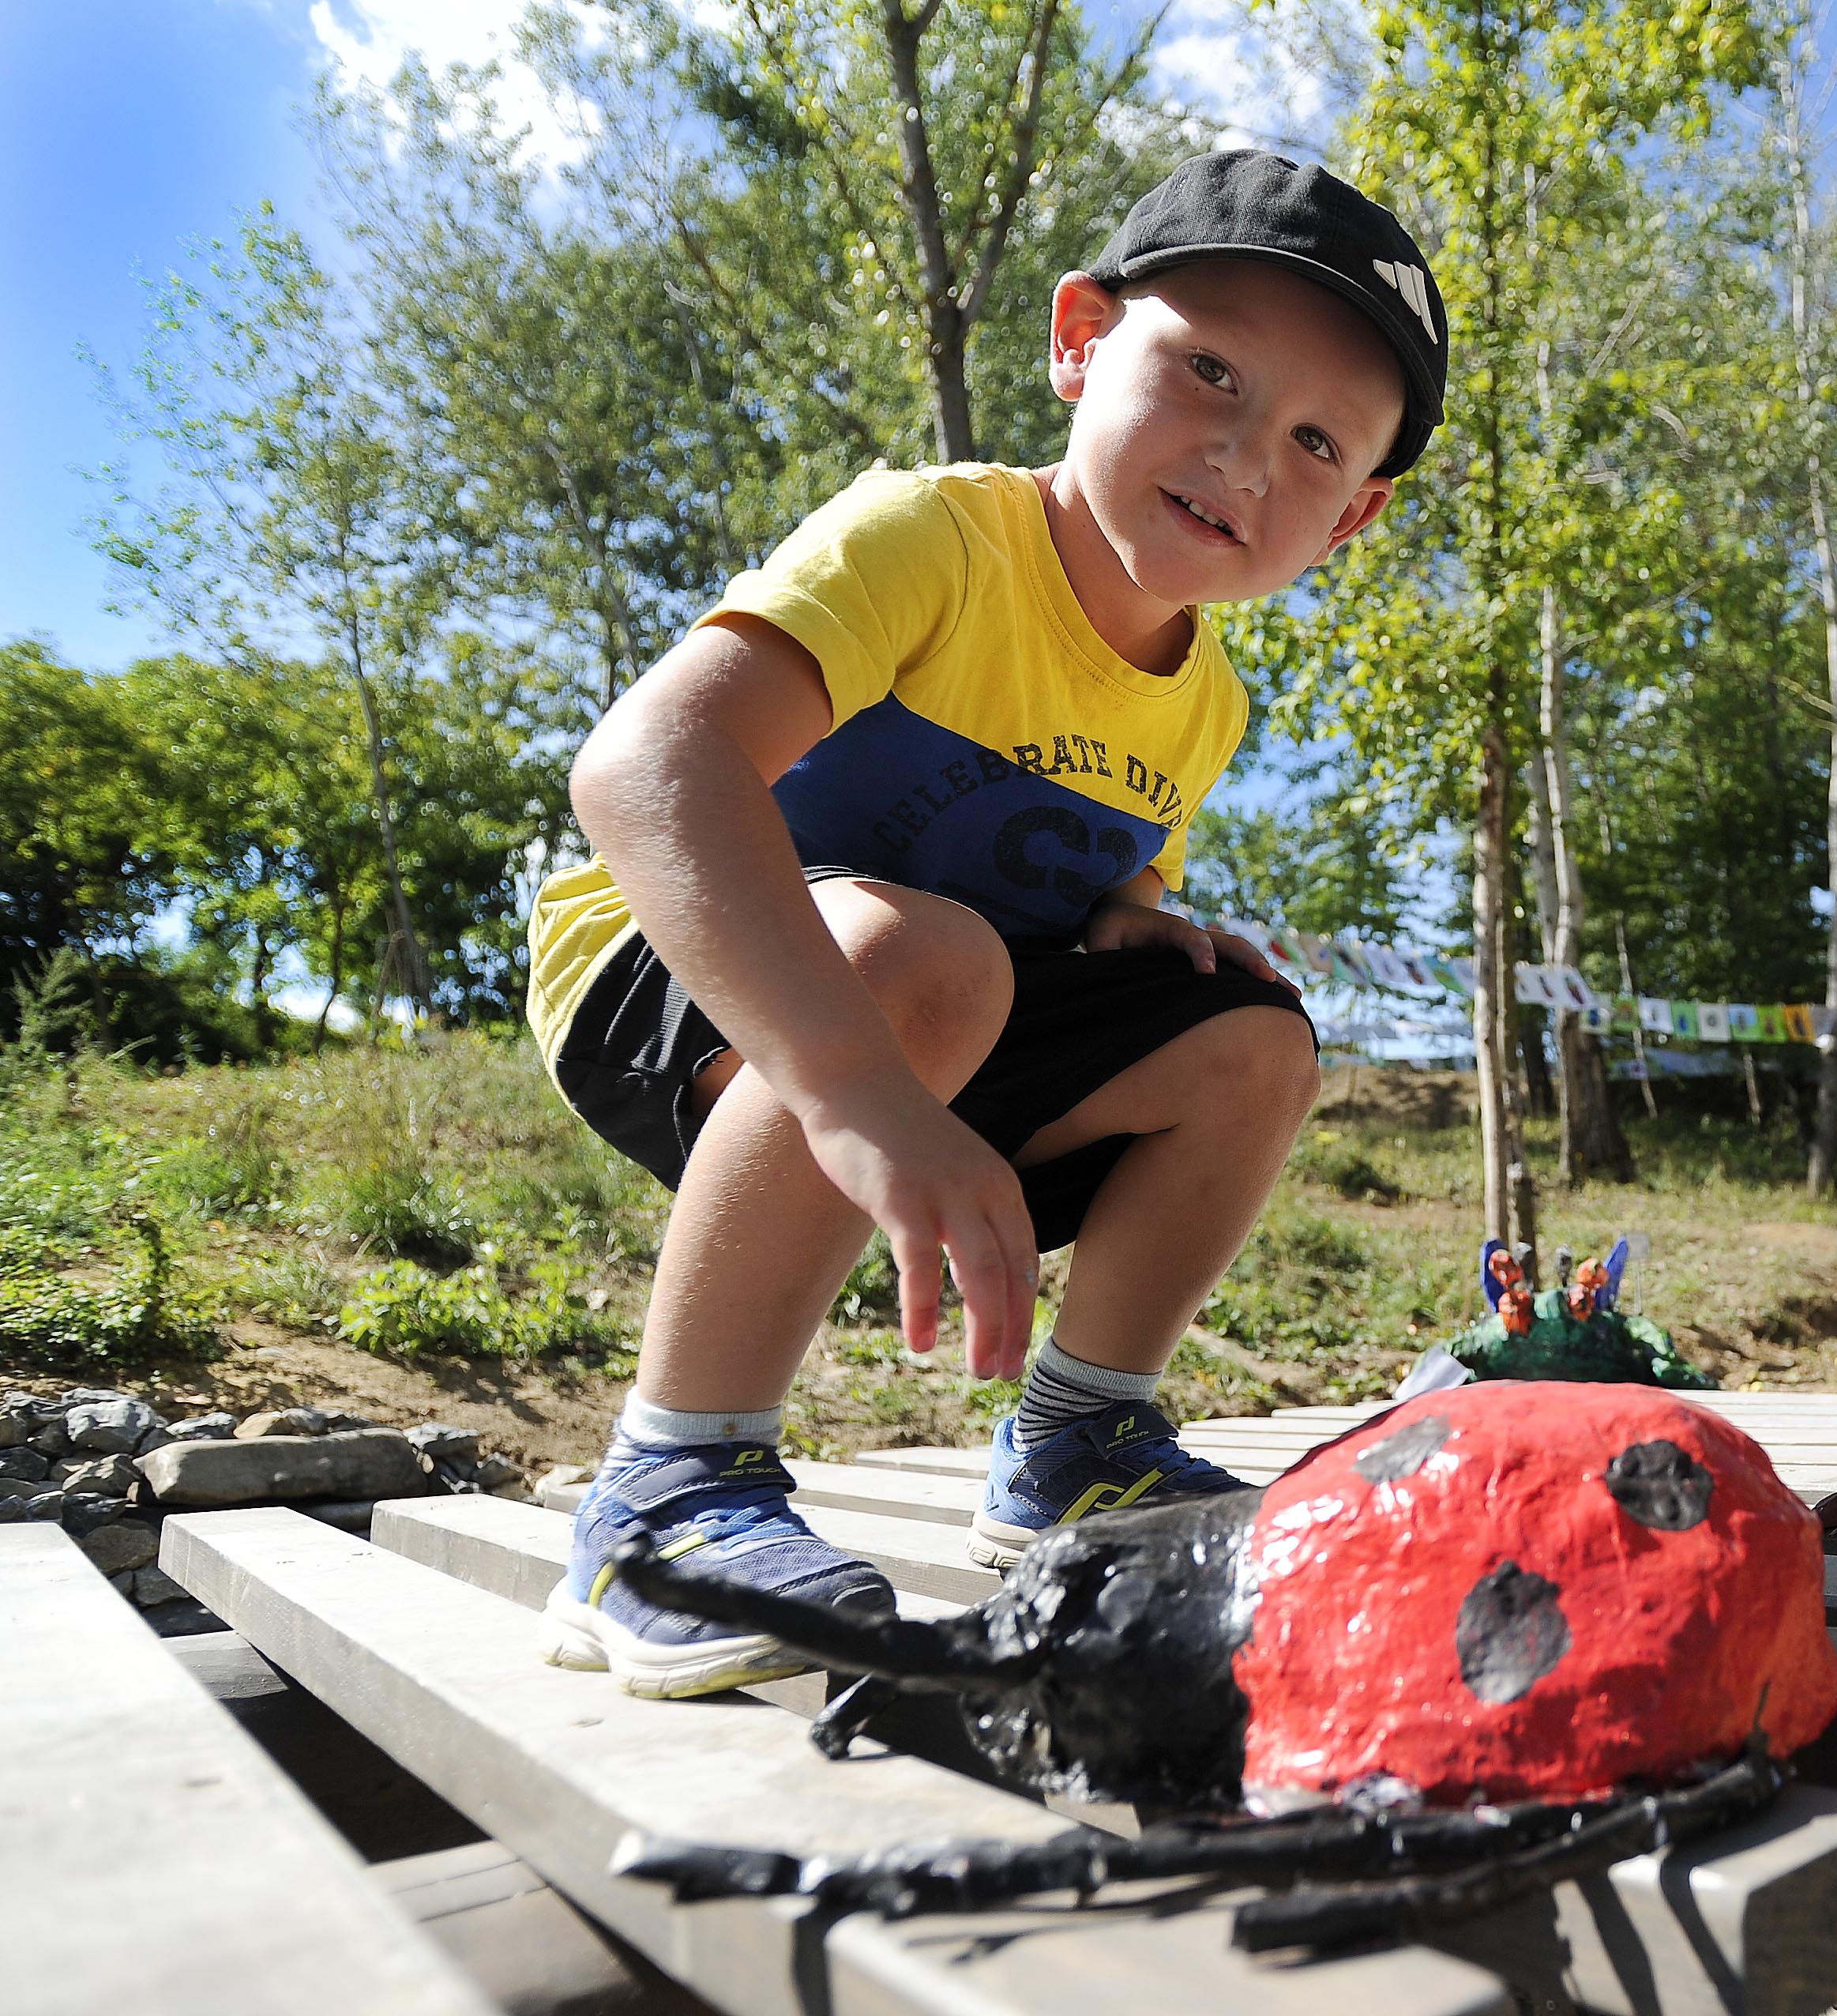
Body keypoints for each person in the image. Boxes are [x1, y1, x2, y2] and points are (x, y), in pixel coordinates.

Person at [522, 152, 1447, 1697]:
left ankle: (1074, 1448)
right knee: (926, 960)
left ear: (1350, 519)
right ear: (1080, 336)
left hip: (922, 1025)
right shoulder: (935, 538)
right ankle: (666, 1491)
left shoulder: (1207, 700)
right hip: (667, 972)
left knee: (1255, 1038)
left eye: (1309, 441)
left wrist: (1127, 928)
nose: (1239, 451)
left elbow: (1087, 878)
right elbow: (640, 768)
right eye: (1208, 367)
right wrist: (858, 1091)